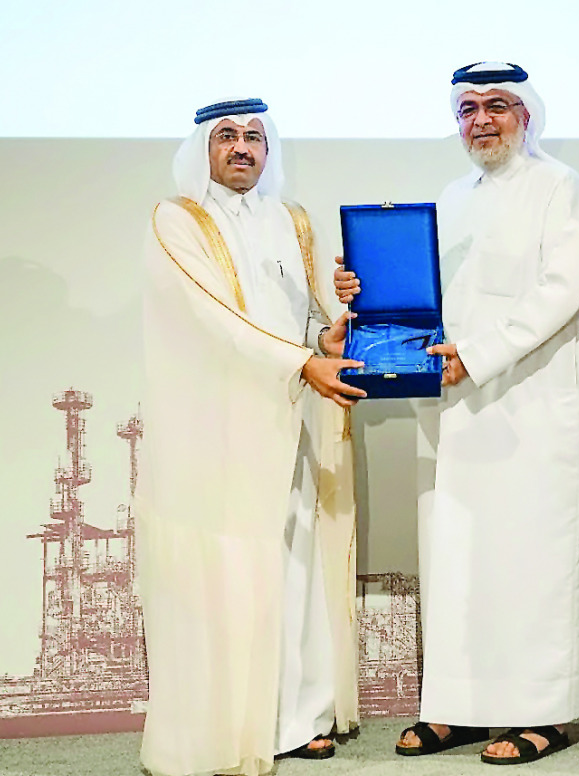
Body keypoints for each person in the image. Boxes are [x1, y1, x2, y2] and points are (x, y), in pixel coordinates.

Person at [336, 62, 579, 765]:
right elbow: (422, 294)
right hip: (456, 408)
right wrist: (362, 287)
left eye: (497, 106)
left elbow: (561, 291)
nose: (481, 120)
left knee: (532, 564)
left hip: (536, 409)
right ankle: (459, 708)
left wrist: (478, 354)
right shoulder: (452, 197)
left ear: (527, 116)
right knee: (458, 560)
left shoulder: (561, 187)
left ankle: (544, 713)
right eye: (468, 110)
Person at [138, 97, 364, 776]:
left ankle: (296, 719)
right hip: (216, 430)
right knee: (228, 574)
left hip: (286, 420)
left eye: (255, 138)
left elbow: (310, 322)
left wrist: (331, 330)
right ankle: (234, 728)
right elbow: (215, 319)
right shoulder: (177, 221)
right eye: (228, 137)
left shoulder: (291, 221)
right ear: (204, 148)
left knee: (291, 570)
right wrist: (303, 360)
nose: (242, 149)